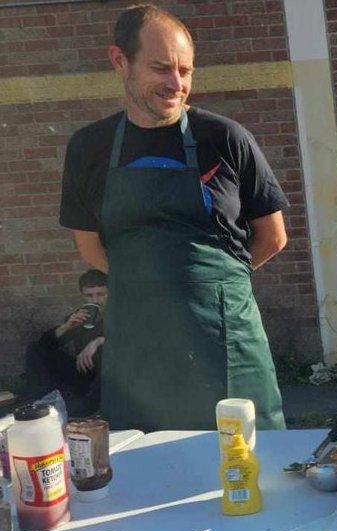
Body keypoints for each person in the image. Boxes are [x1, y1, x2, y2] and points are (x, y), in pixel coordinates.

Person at [58, 5, 287, 430]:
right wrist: (150, 287)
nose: (176, 84)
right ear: (119, 61)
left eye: (186, 70)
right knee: (147, 471)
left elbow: (272, 237)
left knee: (249, 468)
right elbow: (89, 246)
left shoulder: (226, 138)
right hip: (138, 350)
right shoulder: (89, 147)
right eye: (161, 68)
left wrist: (214, 286)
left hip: (225, 340)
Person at [24, 269, 108, 416]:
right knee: (35, 349)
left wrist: (97, 342)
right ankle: (42, 402)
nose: (95, 300)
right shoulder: (80, 317)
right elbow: (46, 344)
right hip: (82, 372)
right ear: (83, 296)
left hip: (107, 375)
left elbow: (131, 340)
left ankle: (89, 406)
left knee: (107, 352)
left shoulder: (118, 315)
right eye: (89, 295)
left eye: (100, 294)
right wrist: (67, 326)